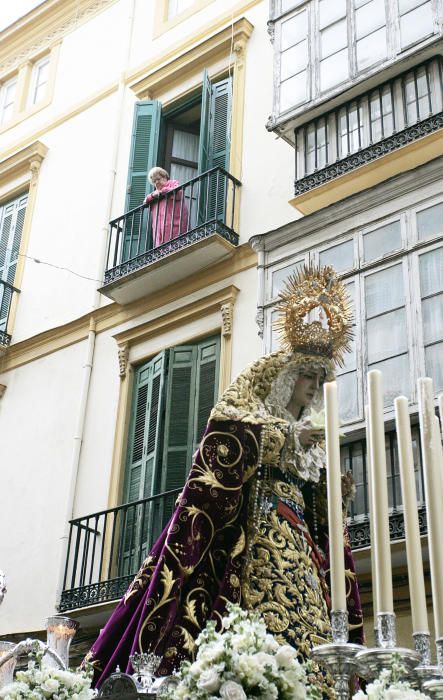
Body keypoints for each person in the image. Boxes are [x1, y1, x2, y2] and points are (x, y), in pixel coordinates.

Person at [85, 266, 363, 697]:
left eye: (322, 379)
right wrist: (288, 435)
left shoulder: (315, 443)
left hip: (300, 546)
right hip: (259, 539)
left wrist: (335, 495)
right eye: (309, 375)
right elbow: (224, 434)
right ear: (288, 377)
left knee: (314, 635)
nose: (315, 386)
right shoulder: (256, 412)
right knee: (263, 625)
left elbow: (317, 513)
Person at [143, 167, 189, 248]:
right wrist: (153, 195)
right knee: (161, 247)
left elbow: (179, 194)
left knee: (175, 244)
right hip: (159, 228)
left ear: (164, 177)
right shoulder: (154, 194)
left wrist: (163, 191)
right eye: (154, 181)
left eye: (158, 179)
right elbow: (145, 203)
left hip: (174, 223)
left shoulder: (172, 183)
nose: (156, 182)